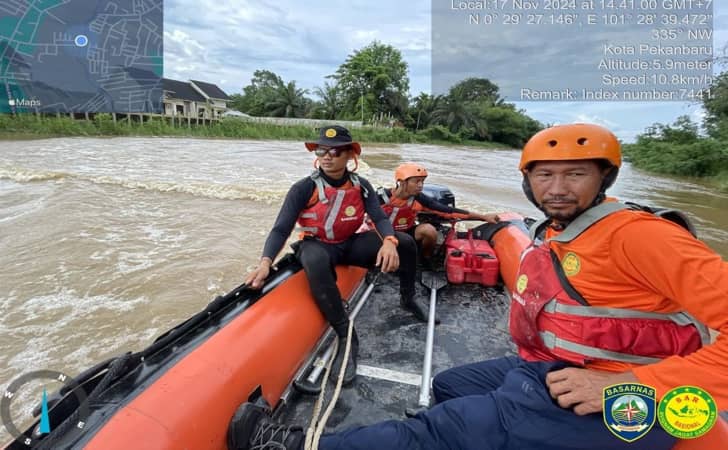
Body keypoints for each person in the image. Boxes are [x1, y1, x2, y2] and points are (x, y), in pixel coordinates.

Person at [229, 123, 728, 450]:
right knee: (447, 385)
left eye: (575, 175)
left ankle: (290, 446)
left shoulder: (641, 237)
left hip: (621, 390)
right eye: (546, 176)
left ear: (603, 180)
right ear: (529, 183)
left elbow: (414, 219)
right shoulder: (562, 231)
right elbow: (291, 225)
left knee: (437, 429)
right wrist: (266, 260)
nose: (558, 188)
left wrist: (632, 386)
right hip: (556, 367)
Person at [244, 125, 431, 386]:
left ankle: (408, 298)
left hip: (349, 243)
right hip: (318, 244)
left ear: (350, 156)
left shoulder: (361, 186)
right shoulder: (303, 188)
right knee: (314, 259)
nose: (327, 156)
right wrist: (265, 263)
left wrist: (389, 240)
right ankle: (346, 334)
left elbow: (377, 216)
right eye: (322, 150)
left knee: (406, 242)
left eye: (335, 151)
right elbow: (281, 228)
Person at [374, 163, 499, 268]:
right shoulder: (380, 197)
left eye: (422, 182)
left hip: (405, 233)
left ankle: (425, 260)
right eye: (416, 181)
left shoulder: (419, 198)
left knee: (429, 230)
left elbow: (448, 211)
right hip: (381, 235)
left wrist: (483, 217)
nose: (421, 186)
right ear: (401, 182)